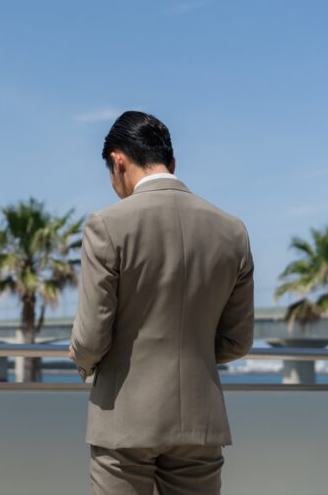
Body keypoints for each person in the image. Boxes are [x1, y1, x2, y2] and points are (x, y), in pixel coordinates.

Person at [68, 111, 254, 495]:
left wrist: (82, 360)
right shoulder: (232, 231)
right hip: (200, 422)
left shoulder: (107, 225)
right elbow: (237, 341)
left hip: (123, 419)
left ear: (118, 162)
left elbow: (91, 338)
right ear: (172, 163)